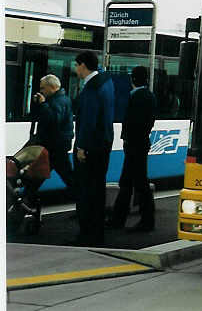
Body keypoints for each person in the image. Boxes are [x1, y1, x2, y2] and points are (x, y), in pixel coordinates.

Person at [72, 51, 115, 246]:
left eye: (76, 65)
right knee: (97, 192)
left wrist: (81, 147)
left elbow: (88, 121)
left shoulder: (92, 88)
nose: (75, 69)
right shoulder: (107, 82)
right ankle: (97, 234)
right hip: (103, 145)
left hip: (90, 148)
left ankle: (86, 235)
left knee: (86, 192)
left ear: (82, 65)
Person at [108, 66, 156, 231]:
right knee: (129, 181)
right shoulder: (149, 96)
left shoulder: (136, 97)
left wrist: (127, 138)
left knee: (137, 182)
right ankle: (119, 218)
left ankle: (144, 220)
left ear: (132, 79)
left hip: (135, 144)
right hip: (140, 143)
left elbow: (133, 122)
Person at [32, 74, 75, 193]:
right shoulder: (58, 99)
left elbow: (54, 120)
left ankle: (24, 200)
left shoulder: (59, 101)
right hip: (55, 146)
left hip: (55, 147)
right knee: (39, 177)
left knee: (68, 178)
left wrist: (42, 104)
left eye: (43, 88)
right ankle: (25, 199)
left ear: (51, 87)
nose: (41, 91)